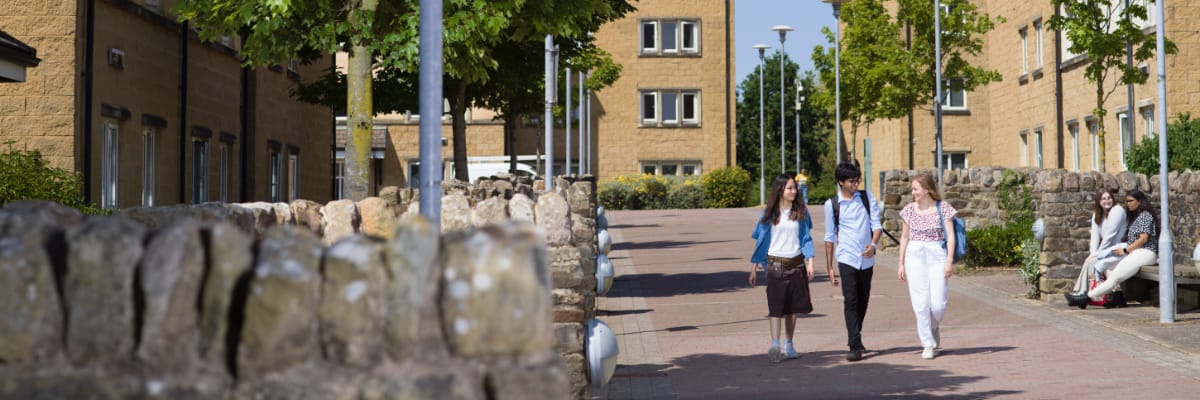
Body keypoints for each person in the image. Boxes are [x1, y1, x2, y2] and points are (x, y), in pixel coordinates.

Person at [748, 174, 816, 363]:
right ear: (780, 190)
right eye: (790, 188)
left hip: (796, 264)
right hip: (775, 265)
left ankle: (789, 344)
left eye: (794, 188)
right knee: (776, 307)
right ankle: (775, 344)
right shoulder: (768, 214)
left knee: (793, 309)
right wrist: (753, 267)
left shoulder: (801, 212)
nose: (794, 191)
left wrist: (810, 261)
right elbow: (760, 241)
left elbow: (806, 238)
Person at [823, 161, 882, 362]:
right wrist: (829, 267)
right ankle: (854, 344)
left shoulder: (867, 198)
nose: (856, 184)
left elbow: (877, 225)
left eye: (858, 180)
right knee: (851, 300)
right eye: (851, 181)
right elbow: (829, 237)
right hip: (846, 258)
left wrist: (873, 245)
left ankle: (857, 334)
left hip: (867, 259)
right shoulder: (832, 205)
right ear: (841, 182)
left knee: (863, 299)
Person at [897, 173, 956, 360]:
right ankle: (927, 343)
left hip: (937, 254)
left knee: (938, 304)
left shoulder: (943, 208)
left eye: (915, 189)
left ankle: (934, 326)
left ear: (927, 189)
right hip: (914, 255)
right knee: (920, 303)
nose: (912, 192)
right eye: (912, 189)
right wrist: (900, 263)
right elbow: (904, 237)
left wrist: (949, 261)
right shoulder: (908, 210)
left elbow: (951, 236)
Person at [1066, 189, 1158, 309]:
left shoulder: (1146, 215)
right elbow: (1095, 235)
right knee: (1107, 267)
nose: (1128, 204)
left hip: (1145, 252)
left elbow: (1144, 238)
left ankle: (1086, 297)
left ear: (1140, 201)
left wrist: (1126, 250)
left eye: (1131, 201)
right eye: (1127, 201)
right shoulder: (1136, 216)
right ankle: (1118, 296)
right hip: (1134, 252)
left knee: (1115, 277)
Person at [1065, 189, 1127, 301]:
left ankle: (1082, 293)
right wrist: (1093, 253)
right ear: (1098, 201)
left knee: (1093, 261)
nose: (1107, 201)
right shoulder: (1097, 215)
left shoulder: (1117, 210)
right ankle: (1080, 292)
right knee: (1090, 261)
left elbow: (1109, 236)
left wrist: (1098, 254)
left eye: (1109, 198)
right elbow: (1095, 236)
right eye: (1103, 199)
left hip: (1119, 249)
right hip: (1108, 250)